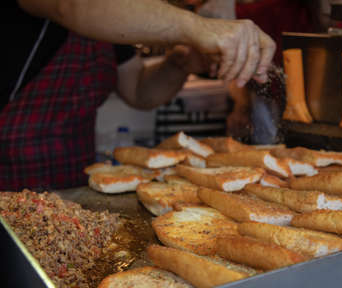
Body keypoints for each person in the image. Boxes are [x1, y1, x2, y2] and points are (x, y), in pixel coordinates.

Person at [1, 0, 276, 191]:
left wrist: (181, 63)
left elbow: (138, 91)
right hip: (9, 184)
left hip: (75, 187)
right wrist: (200, 27)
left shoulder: (109, 21)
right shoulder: (84, 8)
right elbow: (72, 5)